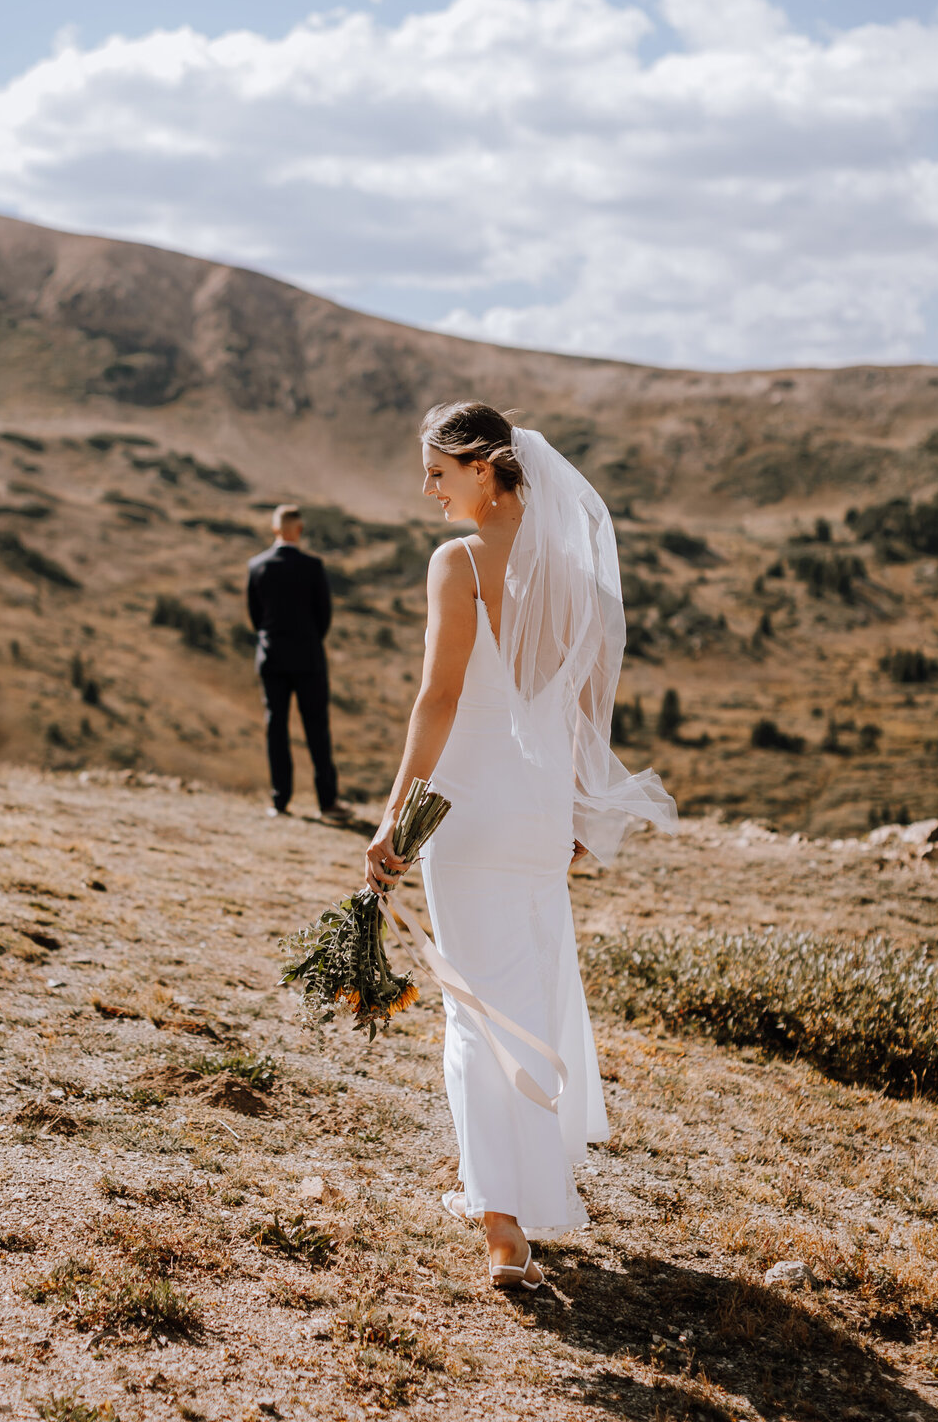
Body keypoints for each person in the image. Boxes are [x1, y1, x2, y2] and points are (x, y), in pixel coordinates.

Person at [365, 402, 677, 1290]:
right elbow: (582, 711)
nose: (428, 490)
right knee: (528, 994)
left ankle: (502, 1221)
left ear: (484, 467)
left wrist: (395, 814)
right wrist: (578, 812)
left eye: (438, 471)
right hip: (540, 812)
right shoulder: (571, 570)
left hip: (467, 810)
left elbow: (439, 697)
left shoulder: (457, 562)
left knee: (473, 1003)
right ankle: (522, 1186)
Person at [247, 503, 349, 821]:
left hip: (272, 656)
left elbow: (255, 616)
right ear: (299, 530)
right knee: (317, 728)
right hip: (308, 658)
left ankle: (280, 801)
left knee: (275, 727)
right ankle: (327, 802)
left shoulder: (257, 566)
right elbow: (324, 617)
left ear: (275, 529)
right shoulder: (312, 566)